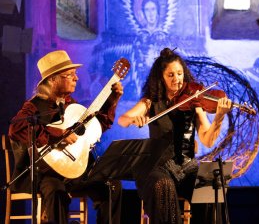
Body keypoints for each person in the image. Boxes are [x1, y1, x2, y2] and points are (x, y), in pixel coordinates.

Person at [118, 48, 232, 224]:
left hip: (187, 167)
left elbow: (208, 140)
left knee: (213, 182)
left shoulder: (194, 102)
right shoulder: (151, 101)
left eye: (179, 74)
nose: (176, 79)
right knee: (164, 186)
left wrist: (219, 117)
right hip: (158, 166)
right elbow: (123, 119)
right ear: (161, 78)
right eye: (170, 75)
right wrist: (136, 119)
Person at [8, 50, 123, 224]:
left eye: (74, 74)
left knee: (111, 185)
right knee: (55, 190)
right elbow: (16, 128)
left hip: (74, 171)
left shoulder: (71, 105)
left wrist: (112, 100)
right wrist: (58, 135)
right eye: (69, 75)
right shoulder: (33, 106)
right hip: (44, 174)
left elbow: (95, 127)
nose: (76, 78)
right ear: (53, 79)